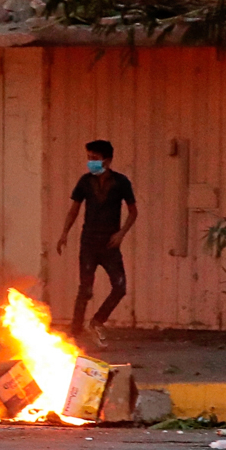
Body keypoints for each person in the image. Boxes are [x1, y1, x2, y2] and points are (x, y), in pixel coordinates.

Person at [56, 139, 138, 347]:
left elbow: (133, 212)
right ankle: (75, 332)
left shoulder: (121, 183)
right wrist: (64, 233)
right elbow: (74, 209)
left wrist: (121, 234)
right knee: (85, 288)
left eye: (95, 158)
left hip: (110, 243)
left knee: (119, 287)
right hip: (89, 242)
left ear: (107, 160)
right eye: (89, 158)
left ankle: (96, 321)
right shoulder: (85, 182)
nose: (90, 162)